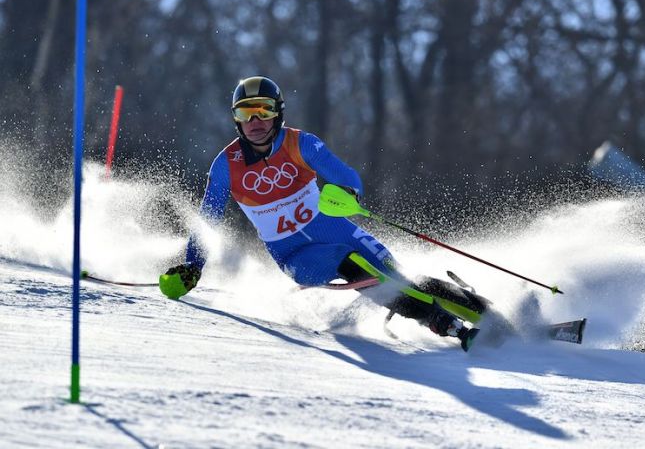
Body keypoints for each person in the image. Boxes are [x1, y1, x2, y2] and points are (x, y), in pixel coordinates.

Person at [159, 76, 484, 351]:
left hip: (339, 230)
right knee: (352, 264)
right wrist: (193, 266)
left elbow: (346, 176)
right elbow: (207, 220)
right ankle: (443, 322)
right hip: (296, 255)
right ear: (236, 119)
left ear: (278, 113)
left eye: (264, 110)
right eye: (246, 113)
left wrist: (347, 193)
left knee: (401, 278)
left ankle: (485, 314)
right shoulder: (225, 166)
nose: (255, 122)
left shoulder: (301, 144)